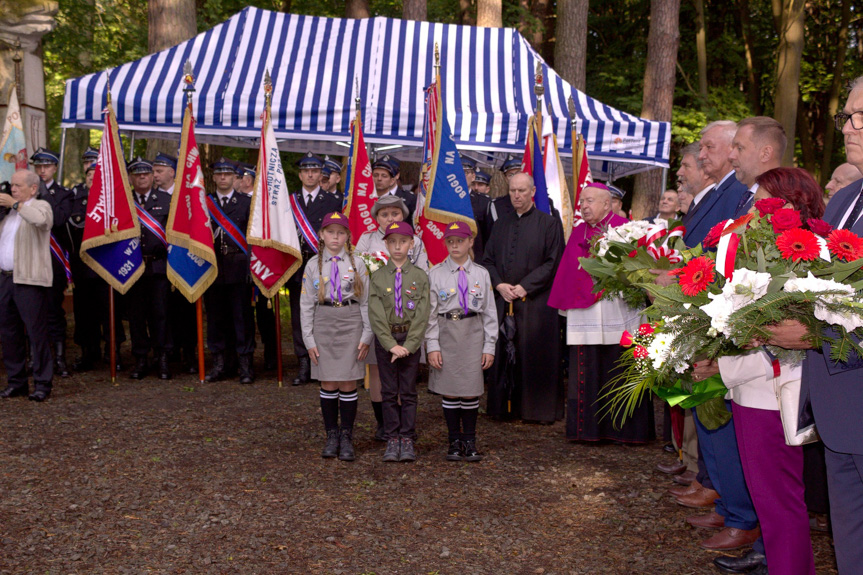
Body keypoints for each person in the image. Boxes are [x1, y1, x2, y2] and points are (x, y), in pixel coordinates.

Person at [763, 78, 863, 574]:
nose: (848, 126)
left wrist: (819, 336)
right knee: (849, 542)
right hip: (837, 405)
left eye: (859, 115)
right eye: (846, 116)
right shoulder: (845, 202)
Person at [703, 168, 824, 575]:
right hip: (750, 388)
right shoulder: (760, 249)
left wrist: (723, 365)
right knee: (766, 496)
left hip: (771, 390)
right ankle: (777, 562)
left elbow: (782, 336)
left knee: (778, 498)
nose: (755, 208)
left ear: (794, 203)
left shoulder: (801, 256)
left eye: (765, 200)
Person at [673, 122, 760, 553]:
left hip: (716, 319)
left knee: (717, 418)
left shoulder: (738, 195)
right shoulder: (721, 193)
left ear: (732, 151)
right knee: (702, 410)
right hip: (697, 311)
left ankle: (737, 509)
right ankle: (721, 494)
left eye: (709, 147)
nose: (702, 154)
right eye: (701, 148)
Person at [549, 183, 653, 443]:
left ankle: (628, 433)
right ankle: (589, 431)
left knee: (621, 368)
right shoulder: (577, 232)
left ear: (607, 204)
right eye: (582, 201)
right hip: (587, 316)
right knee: (590, 370)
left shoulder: (626, 228)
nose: (583, 206)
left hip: (621, 312)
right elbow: (569, 275)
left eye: (590, 201)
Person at [482, 172, 563, 423]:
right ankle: (504, 408)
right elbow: (488, 260)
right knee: (505, 355)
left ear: (532, 192)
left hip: (536, 303)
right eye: (513, 191)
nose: (517, 195)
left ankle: (536, 411)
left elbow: (553, 262)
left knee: (534, 355)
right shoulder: (501, 223)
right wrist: (499, 285)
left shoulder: (548, 224)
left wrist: (525, 286)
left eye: (522, 191)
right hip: (504, 299)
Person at [356, 194, 428, 440]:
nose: (389, 218)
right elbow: (361, 277)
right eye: (384, 214)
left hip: (406, 315)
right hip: (375, 313)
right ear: (376, 217)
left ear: (403, 214)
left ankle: (404, 426)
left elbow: (422, 276)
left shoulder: (415, 242)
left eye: (395, 213)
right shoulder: (366, 241)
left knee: (405, 372)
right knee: (379, 371)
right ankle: (384, 423)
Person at [300, 212, 372, 461]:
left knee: (349, 381)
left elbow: (366, 301)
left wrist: (367, 334)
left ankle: (347, 436)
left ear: (347, 236)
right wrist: (308, 339)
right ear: (321, 235)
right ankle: (331, 435)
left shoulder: (357, 263)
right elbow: (306, 304)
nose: (335, 237)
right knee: (329, 382)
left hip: (351, 322)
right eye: (331, 232)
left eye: (341, 233)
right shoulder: (312, 264)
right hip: (325, 322)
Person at [426, 221, 497, 462]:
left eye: (460, 241)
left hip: (473, 332)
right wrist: (432, 346)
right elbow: (430, 315)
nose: (455, 246)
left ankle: (470, 439)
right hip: (447, 333)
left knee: (469, 390)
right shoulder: (435, 274)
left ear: (470, 242)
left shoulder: (481, 273)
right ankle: (454, 440)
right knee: (450, 389)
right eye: (450, 241)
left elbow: (489, 312)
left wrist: (489, 346)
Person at [368, 221, 430, 463]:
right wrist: (390, 344)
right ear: (386, 244)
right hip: (386, 340)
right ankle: (392, 437)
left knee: (409, 390)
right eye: (392, 241)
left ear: (411, 243)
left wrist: (408, 346)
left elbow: (423, 313)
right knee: (389, 390)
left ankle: (407, 437)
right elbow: (375, 313)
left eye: (402, 241)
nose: (397, 246)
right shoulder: (378, 276)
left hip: (409, 340)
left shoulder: (420, 276)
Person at [288, 152, 342, 386]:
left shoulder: (334, 202)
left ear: (322, 174)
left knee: (325, 313)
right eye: (306, 171)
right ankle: (303, 361)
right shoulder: (288, 201)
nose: (310, 174)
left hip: (324, 265)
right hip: (297, 265)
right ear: (300, 175)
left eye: (315, 171)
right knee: (300, 315)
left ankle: (326, 361)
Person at [0, 170, 54, 401]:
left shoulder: (41, 206)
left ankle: (42, 383)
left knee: (36, 332)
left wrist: (15, 205)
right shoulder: (6, 213)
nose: (13, 189)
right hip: (4, 279)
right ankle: (17, 381)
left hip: (28, 281)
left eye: (18, 186)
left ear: (33, 188)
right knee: (8, 333)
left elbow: (41, 221)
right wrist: (9, 207)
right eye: (12, 185)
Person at [68, 163, 124, 371]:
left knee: (110, 311)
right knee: (84, 313)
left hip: (107, 264)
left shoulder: (113, 198)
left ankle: (114, 352)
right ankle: (87, 352)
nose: (92, 177)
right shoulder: (76, 197)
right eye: (89, 174)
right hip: (83, 266)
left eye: (96, 174)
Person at [205, 158, 256, 384]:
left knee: (242, 317)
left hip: (238, 267)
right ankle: (220, 363)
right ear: (214, 177)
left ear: (236, 178)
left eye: (228, 174)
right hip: (212, 268)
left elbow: (253, 237)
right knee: (216, 318)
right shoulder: (205, 203)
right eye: (219, 174)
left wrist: (251, 268)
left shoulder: (246, 203)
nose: (223, 177)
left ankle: (245, 364)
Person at [126, 157, 172, 380]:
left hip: (158, 266)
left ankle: (162, 356)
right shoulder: (124, 201)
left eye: (145, 173)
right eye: (137, 174)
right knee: (136, 315)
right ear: (131, 177)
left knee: (160, 314)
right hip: (131, 267)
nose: (142, 177)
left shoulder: (166, 200)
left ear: (153, 176)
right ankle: (141, 358)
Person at [30, 147, 74, 378]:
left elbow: (58, 219)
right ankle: (36, 356)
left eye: (46, 166)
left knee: (53, 311)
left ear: (55, 168)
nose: (42, 170)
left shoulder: (64, 194)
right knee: (30, 311)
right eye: (38, 166)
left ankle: (59, 358)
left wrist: (43, 193)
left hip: (52, 261)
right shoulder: (25, 192)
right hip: (29, 260)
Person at [727, 116, 786, 217]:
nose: (731, 156)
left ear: (765, 154)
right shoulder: (742, 195)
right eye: (733, 148)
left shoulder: (779, 205)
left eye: (740, 148)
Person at [371, 155, 416, 222]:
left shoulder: (410, 198)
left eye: (384, 176)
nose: (379, 179)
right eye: (375, 175)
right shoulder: (368, 196)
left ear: (397, 176)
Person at [469, 170, 491, 262]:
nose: (476, 188)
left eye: (480, 185)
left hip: (478, 257)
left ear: (488, 188)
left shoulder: (487, 203)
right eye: (474, 184)